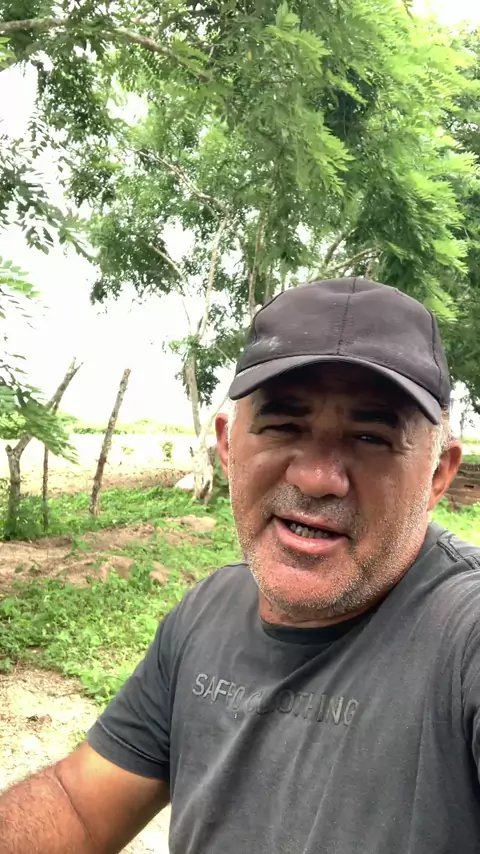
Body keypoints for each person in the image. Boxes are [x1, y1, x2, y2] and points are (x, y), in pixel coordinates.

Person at [4, 275, 480, 854]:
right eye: (284, 426)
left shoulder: (463, 635)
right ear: (228, 447)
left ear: (437, 475)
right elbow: (78, 806)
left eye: (370, 437)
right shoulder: (207, 614)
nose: (316, 477)